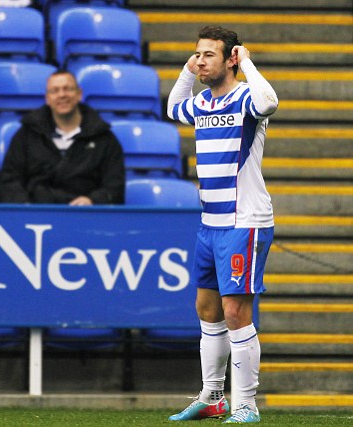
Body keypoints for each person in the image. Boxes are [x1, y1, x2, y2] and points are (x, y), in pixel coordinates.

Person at [166, 26, 278, 424]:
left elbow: (270, 102)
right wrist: (188, 66)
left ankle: (247, 404)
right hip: (210, 222)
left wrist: (246, 61)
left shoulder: (246, 95)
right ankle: (213, 396)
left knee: (235, 311)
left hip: (244, 221)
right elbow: (172, 107)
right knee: (207, 308)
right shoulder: (201, 104)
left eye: (209, 55)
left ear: (230, 58)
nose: (200, 61)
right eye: (197, 54)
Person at [0, 70, 125, 205]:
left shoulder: (105, 138)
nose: (62, 95)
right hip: (37, 215)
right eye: (55, 91)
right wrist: (26, 206)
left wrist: (92, 200)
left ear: (79, 94)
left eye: (68, 89)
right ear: (47, 99)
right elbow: (9, 180)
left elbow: (114, 187)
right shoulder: (25, 135)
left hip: (86, 216)